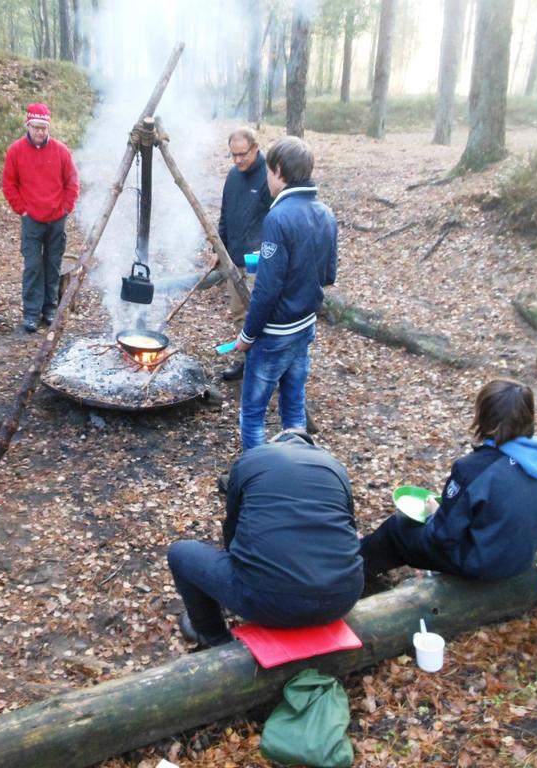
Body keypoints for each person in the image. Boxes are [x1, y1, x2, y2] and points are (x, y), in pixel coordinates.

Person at [167, 429, 363, 649]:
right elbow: (349, 527)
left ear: (274, 442)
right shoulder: (335, 467)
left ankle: (213, 637)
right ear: (310, 447)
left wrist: (241, 568)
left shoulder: (251, 459)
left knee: (180, 553)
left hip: (271, 602)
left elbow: (232, 526)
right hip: (344, 596)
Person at [360, 379, 537, 583]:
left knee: (398, 528)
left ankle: (353, 571)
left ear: (485, 418)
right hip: (521, 557)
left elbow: (442, 536)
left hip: (484, 564)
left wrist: (433, 514)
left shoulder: (473, 469)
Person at [234, 137, 338, 451]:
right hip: (305, 325)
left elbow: (266, 292)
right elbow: (328, 275)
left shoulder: (278, 218)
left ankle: (257, 480)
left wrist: (247, 335)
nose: (267, 178)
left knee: (253, 412)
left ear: (278, 171)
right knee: (293, 406)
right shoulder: (325, 213)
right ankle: (299, 468)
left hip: (275, 333)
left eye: (268, 171)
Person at [1, 102, 80, 333]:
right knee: (33, 265)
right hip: (32, 219)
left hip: (57, 218)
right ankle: (31, 314)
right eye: (36, 127)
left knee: (53, 265)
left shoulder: (61, 151)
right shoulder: (16, 151)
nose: (40, 132)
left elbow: (72, 182)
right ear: (28, 125)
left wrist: (66, 207)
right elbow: (9, 184)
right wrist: (22, 210)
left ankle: (50, 309)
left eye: (44, 128)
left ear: (48, 127)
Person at [217, 126, 272, 382]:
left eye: (242, 154)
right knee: (239, 312)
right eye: (233, 155)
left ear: (255, 148)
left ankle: (263, 362)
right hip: (235, 257)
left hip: (260, 262)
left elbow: (277, 221)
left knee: (259, 313)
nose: (238, 160)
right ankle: (243, 361)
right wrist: (221, 248)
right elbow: (225, 215)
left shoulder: (269, 177)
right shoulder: (233, 176)